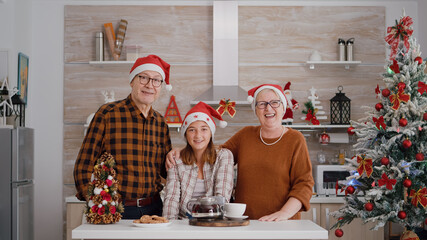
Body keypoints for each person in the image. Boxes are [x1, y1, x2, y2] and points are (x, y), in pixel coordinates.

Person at [166, 84, 314, 221]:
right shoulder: (245, 135)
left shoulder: (296, 139)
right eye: (262, 104)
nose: (268, 109)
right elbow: (212, 153)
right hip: (245, 223)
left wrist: (284, 213)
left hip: (282, 223)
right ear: (256, 110)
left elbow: (304, 184)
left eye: (275, 102)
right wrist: (183, 150)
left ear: (283, 107)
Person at [74, 55, 172, 219]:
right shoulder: (107, 114)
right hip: (116, 209)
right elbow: (84, 165)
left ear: (161, 86)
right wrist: (94, 201)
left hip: (155, 209)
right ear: (132, 81)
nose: (150, 85)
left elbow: (166, 170)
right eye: (144, 78)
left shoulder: (161, 123)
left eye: (156, 80)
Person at [163, 102, 234, 219]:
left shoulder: (224, 156)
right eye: (192, 130)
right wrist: (170, 228)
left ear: (211, 133)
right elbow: (171, 198)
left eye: (204, 129)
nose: (198, 135)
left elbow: (222, 198)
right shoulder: (176, 159)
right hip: (183, 223)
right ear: (185, 134)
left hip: (213, 220)